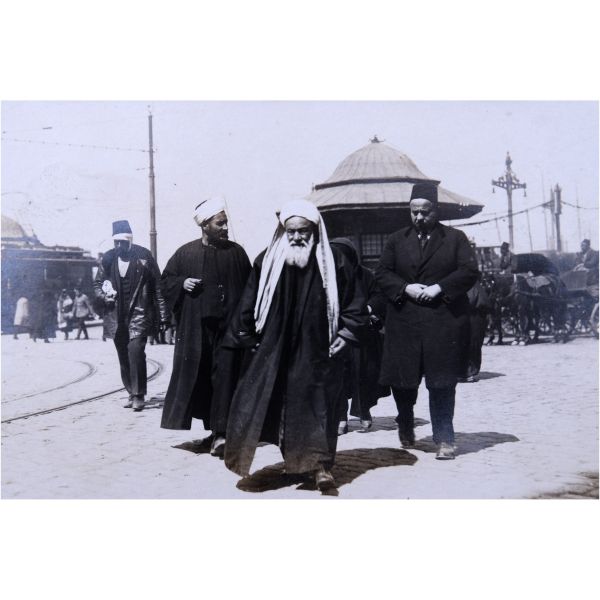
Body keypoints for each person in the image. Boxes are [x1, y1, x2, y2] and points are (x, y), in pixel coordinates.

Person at [222, 200, 367, 491]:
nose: (297, 237)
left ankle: (322, 467)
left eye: (303, 231)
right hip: (277, 347)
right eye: (291, 232)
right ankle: (295, 462)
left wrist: (347, 331)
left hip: (320, 347)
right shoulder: (267, 261)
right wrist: (247, 335)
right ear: (283, 232)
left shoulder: (334, 260)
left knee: (320, 404)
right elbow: (250, 300)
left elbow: (353, 298)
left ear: (314, 230)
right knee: (280, 405)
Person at [375, 182, 479, 460]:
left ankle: (444, 438)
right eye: (414, 212)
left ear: (436, 211)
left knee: (442, 383)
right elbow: (382, 273)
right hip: (404, 322)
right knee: (403, 382)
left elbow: (469, 271)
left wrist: (440, 288)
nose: (419, 217)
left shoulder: (455, 238)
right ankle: (405, 420)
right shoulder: (396, 240)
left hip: (442, 322)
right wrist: (405, 288)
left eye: (425, 212)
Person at [160, 199, 251, 456]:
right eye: (220, 223)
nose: (225, 228)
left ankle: (222, 434)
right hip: (198, 332)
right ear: (204, 225)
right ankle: (214, 432)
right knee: (202, 381)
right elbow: (165, 281)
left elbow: (251, 288)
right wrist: (182, 283)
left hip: (229, 330)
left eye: (226, 222)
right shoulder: (185, 253)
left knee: (225, 378)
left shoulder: (237, 253)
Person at [94, 220, 169, 411]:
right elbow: (97, 284)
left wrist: (164, 315)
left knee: (135, 351)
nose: (119, 246)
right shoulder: (108, 258)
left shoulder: (144, 256)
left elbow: (158, 287)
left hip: (139, 313)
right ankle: (130, 391)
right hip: (115, 315)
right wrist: (104, 296)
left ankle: (138, 394)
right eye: (116, 242)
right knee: (123, 355)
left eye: (123, 242)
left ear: (130, 241)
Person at [330, 237, 388, 434]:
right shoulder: (327, 276)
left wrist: (368, 309)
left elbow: (379, 296)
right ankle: (340, 417)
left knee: (362, 374)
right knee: (338, 376)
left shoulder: (365, 275)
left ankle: (364, 411)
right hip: (336, 333)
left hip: (361, 334)